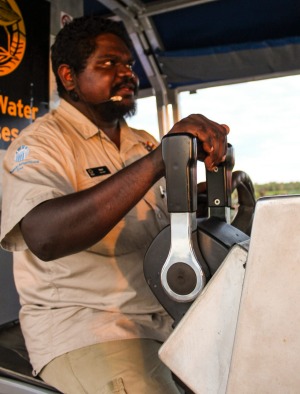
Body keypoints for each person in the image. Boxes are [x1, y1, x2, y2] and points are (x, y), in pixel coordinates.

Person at [0, 15, 229, 394]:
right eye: (108, 64)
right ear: (69, 77)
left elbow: (154, 214)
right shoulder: (41, 143)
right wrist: (159, 162)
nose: (127, 74)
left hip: (166, 320)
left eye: (128, 64)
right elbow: (45, 235)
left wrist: (213, 193)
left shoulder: (140, 141)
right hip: (89, 330)